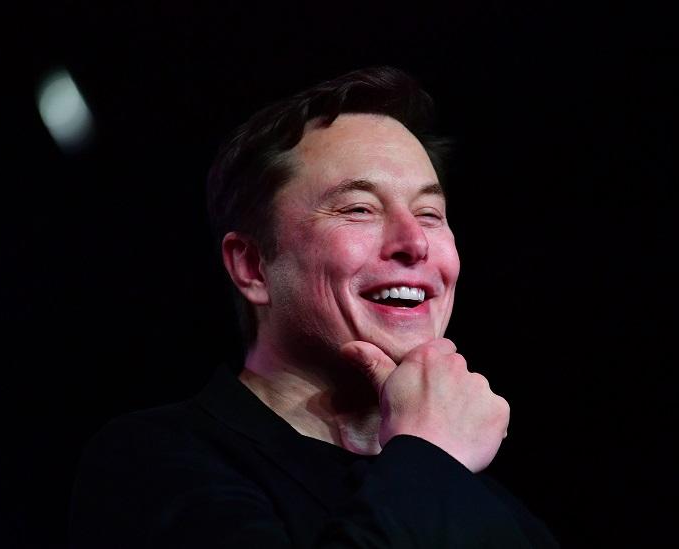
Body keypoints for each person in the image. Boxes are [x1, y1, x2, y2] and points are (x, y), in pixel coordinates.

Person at [69, 66, 559, 548]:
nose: (415, 243)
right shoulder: (155, 459)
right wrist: (431, 458)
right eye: (359, 209)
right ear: (252, 266)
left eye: (430, 213)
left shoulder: (497, 510)